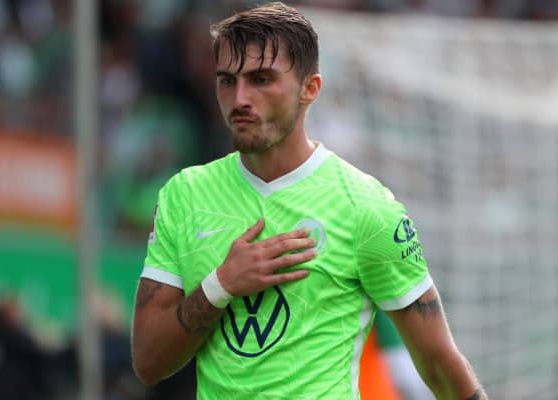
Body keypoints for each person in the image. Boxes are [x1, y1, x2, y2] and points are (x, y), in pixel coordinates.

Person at [131, 2, 487, 399]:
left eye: (261, 79)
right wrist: (220, 285)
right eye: (227, 81)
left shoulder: (365, 208)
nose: (240, 98)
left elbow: (438, 363)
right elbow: (148, 362)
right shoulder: (184, 195)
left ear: (310, 89)